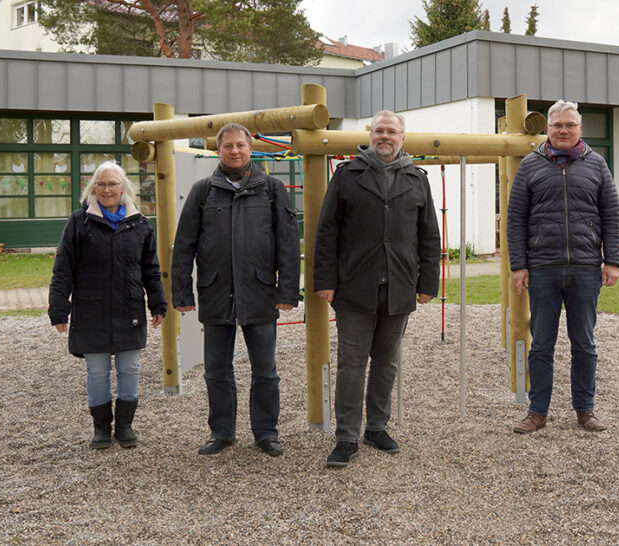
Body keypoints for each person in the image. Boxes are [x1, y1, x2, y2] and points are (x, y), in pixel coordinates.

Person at [314, 110, 441, 467]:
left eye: (392, 131)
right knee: (351, 364)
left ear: (403, 138)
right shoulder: (348, 175)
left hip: (400, 285)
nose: (385, 136)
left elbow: (429, 235)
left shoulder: (416, 178)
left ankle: (377, 427)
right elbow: (327, 232)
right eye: (379, 130)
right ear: (370, 135)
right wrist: (324, 281)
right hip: (354, 286)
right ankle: (346, 437)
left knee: (386, 363)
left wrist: (427, 282)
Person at [171, 122, 300, 458]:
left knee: (266, 371)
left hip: (259, 292)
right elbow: (183, 247)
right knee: (216, 369)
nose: (234, 151)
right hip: (216, 293)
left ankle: (266, 432)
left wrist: (288, 291)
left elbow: (288, 244)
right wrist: (182, 294)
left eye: (240, 146)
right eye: (228, 146)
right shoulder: (202, 192)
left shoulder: (272, 189)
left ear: (250, 147)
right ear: (218, 150)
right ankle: (222, 431)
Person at [507, 100, 619, 435]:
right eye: (557, 125)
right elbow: (515, 220)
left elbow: (612, 216)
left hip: (586, 269)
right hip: (542, 268)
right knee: (542, 343)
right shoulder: (530, 165)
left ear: (579, 129)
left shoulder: (597, 165)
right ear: (548, 129)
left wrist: (612, 259)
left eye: (569, 125)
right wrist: (519, 266)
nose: (563, 130)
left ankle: (585, 409)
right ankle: (537, 411)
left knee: (584, 343)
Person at [49, 161, 166, 449]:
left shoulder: (140, 224)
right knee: (97, 371)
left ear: (124, 187)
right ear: (93, 188)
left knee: (130, 369)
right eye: (101, 184)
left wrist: (158, 303)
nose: (107, 189)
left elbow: (151, 268)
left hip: (129, 309)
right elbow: (63, 268)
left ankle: (124, 426)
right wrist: (58, 309)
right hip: (91, 309)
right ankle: (101, 428)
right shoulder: (80, 222)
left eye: (113, 184)